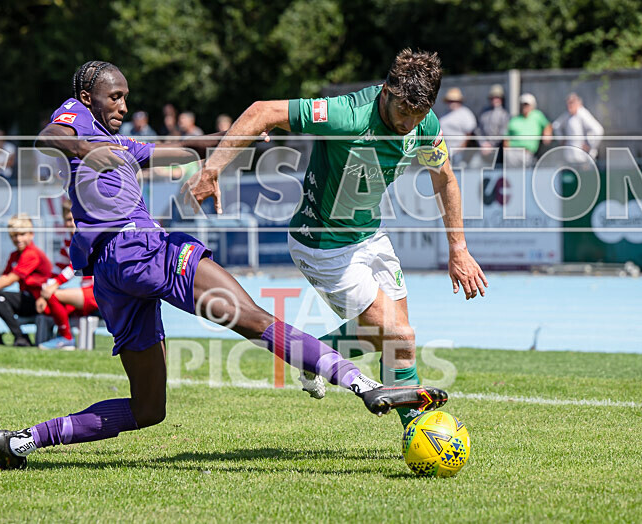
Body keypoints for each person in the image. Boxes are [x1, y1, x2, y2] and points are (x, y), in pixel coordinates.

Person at [0, 60, 447, 470]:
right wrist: (88, 150)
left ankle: (23, 440)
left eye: (126, 97)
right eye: (115, 96)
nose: (123, 105)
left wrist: (231, 142)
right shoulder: (78, 117)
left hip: (112, 276)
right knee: (255, 319)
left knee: (149, 410)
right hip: (140, 249)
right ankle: (362, 384)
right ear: (88, 97)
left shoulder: (121, 144)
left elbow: (178, 147)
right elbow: (49, 137)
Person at [186, 49, 486, 428]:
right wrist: (212, 169)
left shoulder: (424, 124)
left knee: (392, 340)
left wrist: (459, 249)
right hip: (323, 245)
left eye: (419, 114)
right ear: (387, 92)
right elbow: (263, 111)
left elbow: (444, 180)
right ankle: (419, 432)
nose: (409, 123)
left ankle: (316, 356)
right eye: (403, 112)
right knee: (399, 335)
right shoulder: (346, 115)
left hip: (370, 235)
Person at [0, 215, 71, 347]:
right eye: (14, 236)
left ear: (31, 234)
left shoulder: (32, 254)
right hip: (26, 298)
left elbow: (11, 279)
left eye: (22, 234)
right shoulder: (15, 255)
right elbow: (4, 278)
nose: (18, 239)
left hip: (40, 300)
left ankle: (21, 337)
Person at [36, 200, 99, 350]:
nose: (71, 223)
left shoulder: (86, 237)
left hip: (97, 291)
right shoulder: (68, 238)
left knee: (53, 295)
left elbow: (75, 266)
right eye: (67, 220)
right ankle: (61, 336)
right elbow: (58, 267)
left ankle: (66, 338)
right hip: (85, 292)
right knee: (48, 305)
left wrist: (54, 286)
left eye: (73, 219)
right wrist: (45, 289)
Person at [551, 93, 604, 165]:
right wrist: (561, 139)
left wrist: (590, 145)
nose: (570, 106)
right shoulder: (567, 115)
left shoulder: (583, 114)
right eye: (569, 103)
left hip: (584, 158)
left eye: (572, 103)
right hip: (570, 157)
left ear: (578, 103)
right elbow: (556, 126)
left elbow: (598, 130)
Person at [504, 93, 552, 167]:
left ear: (532, 106)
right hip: (512, 153)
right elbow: (506, 136)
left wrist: (547, 134)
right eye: (523, 105)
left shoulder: (537, 115)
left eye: (527, 105)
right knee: (511, 173)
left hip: (527, 153)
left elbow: (547, 125)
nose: (525, 107)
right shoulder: (515, 119)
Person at [438, 87, 477, 167]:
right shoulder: (444, 114)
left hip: (459, 151)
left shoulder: (465, 113)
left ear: (459, 101)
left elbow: (469, 134)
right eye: (450, 101)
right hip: (444, 151)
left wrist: (461, 148)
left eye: (454, 101)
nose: (452, 103)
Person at [472, 84, 509, 166]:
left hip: (497, 149)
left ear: (501, 99)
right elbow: (478, 130)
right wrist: (483, 143)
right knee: (474, 165)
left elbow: (502, 133)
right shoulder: (484, 112)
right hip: (482, 148)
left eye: (497, 97)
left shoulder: (504, 114)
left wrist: (491, 145)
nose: (495, 100)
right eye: (493, 97)